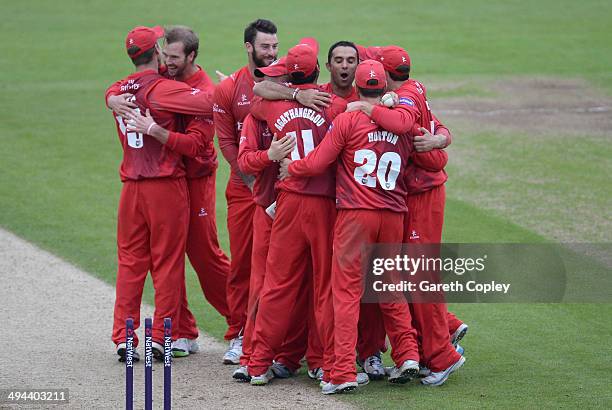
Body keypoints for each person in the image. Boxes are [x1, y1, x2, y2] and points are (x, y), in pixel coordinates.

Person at [280, 60, 421, 394]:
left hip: (356, 215)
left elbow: (317, 163)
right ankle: (408, 355)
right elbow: (429, 155)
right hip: (393, 214)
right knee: (391, 288)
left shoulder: (348, 120)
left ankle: (342, 371)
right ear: (385, 87)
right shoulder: (404, 122)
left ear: (356, 88)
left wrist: (291, 166)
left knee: (345, 294)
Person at [350, 45, 466, 386]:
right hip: (413, 195)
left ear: (386, 76)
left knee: (418, 276)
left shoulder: (404, 99)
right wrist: (442, 138)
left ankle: (442, 355)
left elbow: (412, 133)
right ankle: (436, 338)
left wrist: (367, 107)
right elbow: (440, 129)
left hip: (421, 195)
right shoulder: (411, 89)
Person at [114, 26, 232, 358]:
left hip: (184, 179)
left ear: (191, 56)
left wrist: (113, 100)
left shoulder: (132, 87)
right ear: (156, 53)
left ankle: (241, 323)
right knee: (167, 261)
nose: (168, 59)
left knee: (199, 256)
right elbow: (212, 103)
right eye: (164, 53)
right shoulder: (161, 84)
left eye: (174, 55)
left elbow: (197, 143)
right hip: (167, 182)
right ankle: (173, 333)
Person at [246, 39, 347, 386]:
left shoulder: (270, 107)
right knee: (326, 288)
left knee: (277, 286)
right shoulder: (333, 105)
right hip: (324, 204)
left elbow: (257, 91)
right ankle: (325, 366)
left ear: (288, 77)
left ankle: (258, 364)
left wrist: (290, 96)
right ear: (319, 70)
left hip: (288, 203)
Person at [212, 18, 280, 364]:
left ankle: (277, 339)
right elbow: (227, 145)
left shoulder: (286, 83)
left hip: (286, 190)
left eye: (275, 46)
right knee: (242, 265)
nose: (271, 53)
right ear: (249, 47)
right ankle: (239, 332)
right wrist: (257, 187)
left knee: (282, 268)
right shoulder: (229, 89)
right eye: (265, 46)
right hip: (244, 190)